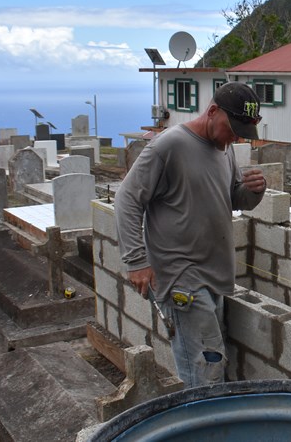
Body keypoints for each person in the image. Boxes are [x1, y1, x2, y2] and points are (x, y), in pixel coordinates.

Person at [114, 82, 267, 388]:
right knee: (205, 369)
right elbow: (127, 199)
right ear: (212, 112)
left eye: (241, 132)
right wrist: (136, 260)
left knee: (210, 362)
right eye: (232, 128)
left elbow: (232, 199)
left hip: (215, 275)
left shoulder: (224, 150)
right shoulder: (168, 146)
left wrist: (254, 193)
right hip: (182, 276)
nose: (235, 137)